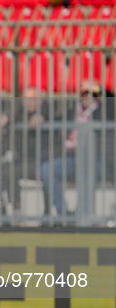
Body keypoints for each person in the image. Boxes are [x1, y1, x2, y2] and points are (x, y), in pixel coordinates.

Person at [40, 81, 106, 216]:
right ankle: (63, 213)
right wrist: (41, 115)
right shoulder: (72, 112)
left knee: (89, 169)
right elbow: (54, 119)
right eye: (85, 93)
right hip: (71, 158)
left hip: (94, 159)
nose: (87, 97)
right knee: (46, 169)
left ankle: (83, 213)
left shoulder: (103, 112)